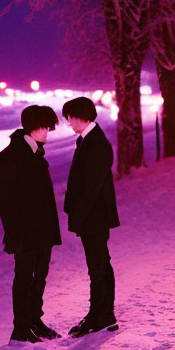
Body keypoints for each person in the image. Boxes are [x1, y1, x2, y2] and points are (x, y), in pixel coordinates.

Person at [0, 105, 62, 344]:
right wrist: (14, 233)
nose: (48, 131)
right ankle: (21, 327)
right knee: (24, 278)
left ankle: (34, 319)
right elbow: (7, 203)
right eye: (45, 127)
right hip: (25, 232)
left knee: (39, 276)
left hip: (41, 230)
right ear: (32, 127)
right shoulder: (9, 159)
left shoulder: (35, 152)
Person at [62, 96, 120, 336]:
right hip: (93, 217)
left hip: (94, 218)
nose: (68, 122)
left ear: (80, 116)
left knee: (97, 268)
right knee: (100, 266)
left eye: (69, 117)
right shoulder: (88, 141)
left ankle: (100, 316)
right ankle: (103, 314)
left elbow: (91, 188)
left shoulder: (95, 144)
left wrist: (78, 217)